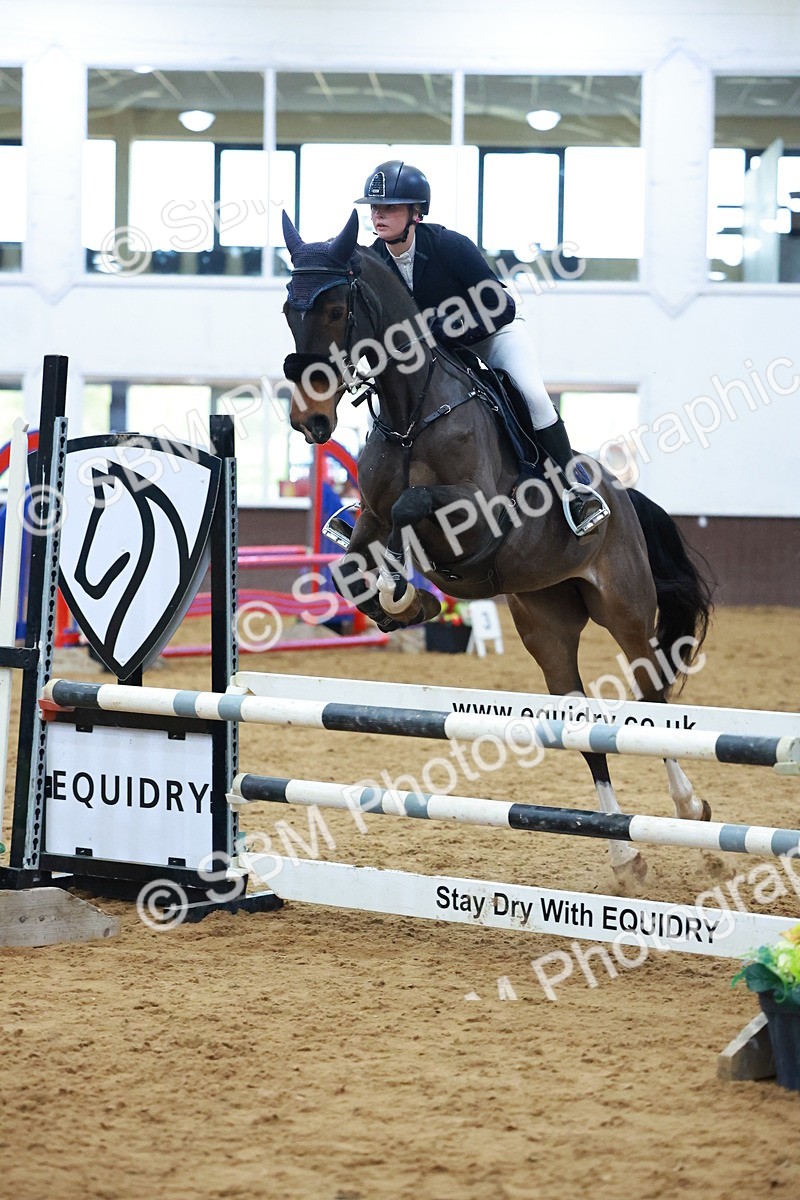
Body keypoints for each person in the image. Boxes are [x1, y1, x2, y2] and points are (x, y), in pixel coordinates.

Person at [355, 159, 609, 537]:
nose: (378, 215)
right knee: (393, 409)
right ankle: (370, 505)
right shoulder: (374, 261)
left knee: (534, 397)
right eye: (375, 207)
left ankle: (575, 487)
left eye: (390, 207)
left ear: (416, 213)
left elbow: (500, 305)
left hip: (494, 336)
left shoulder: (448, 246)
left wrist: (448, 327)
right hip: (439, 355)